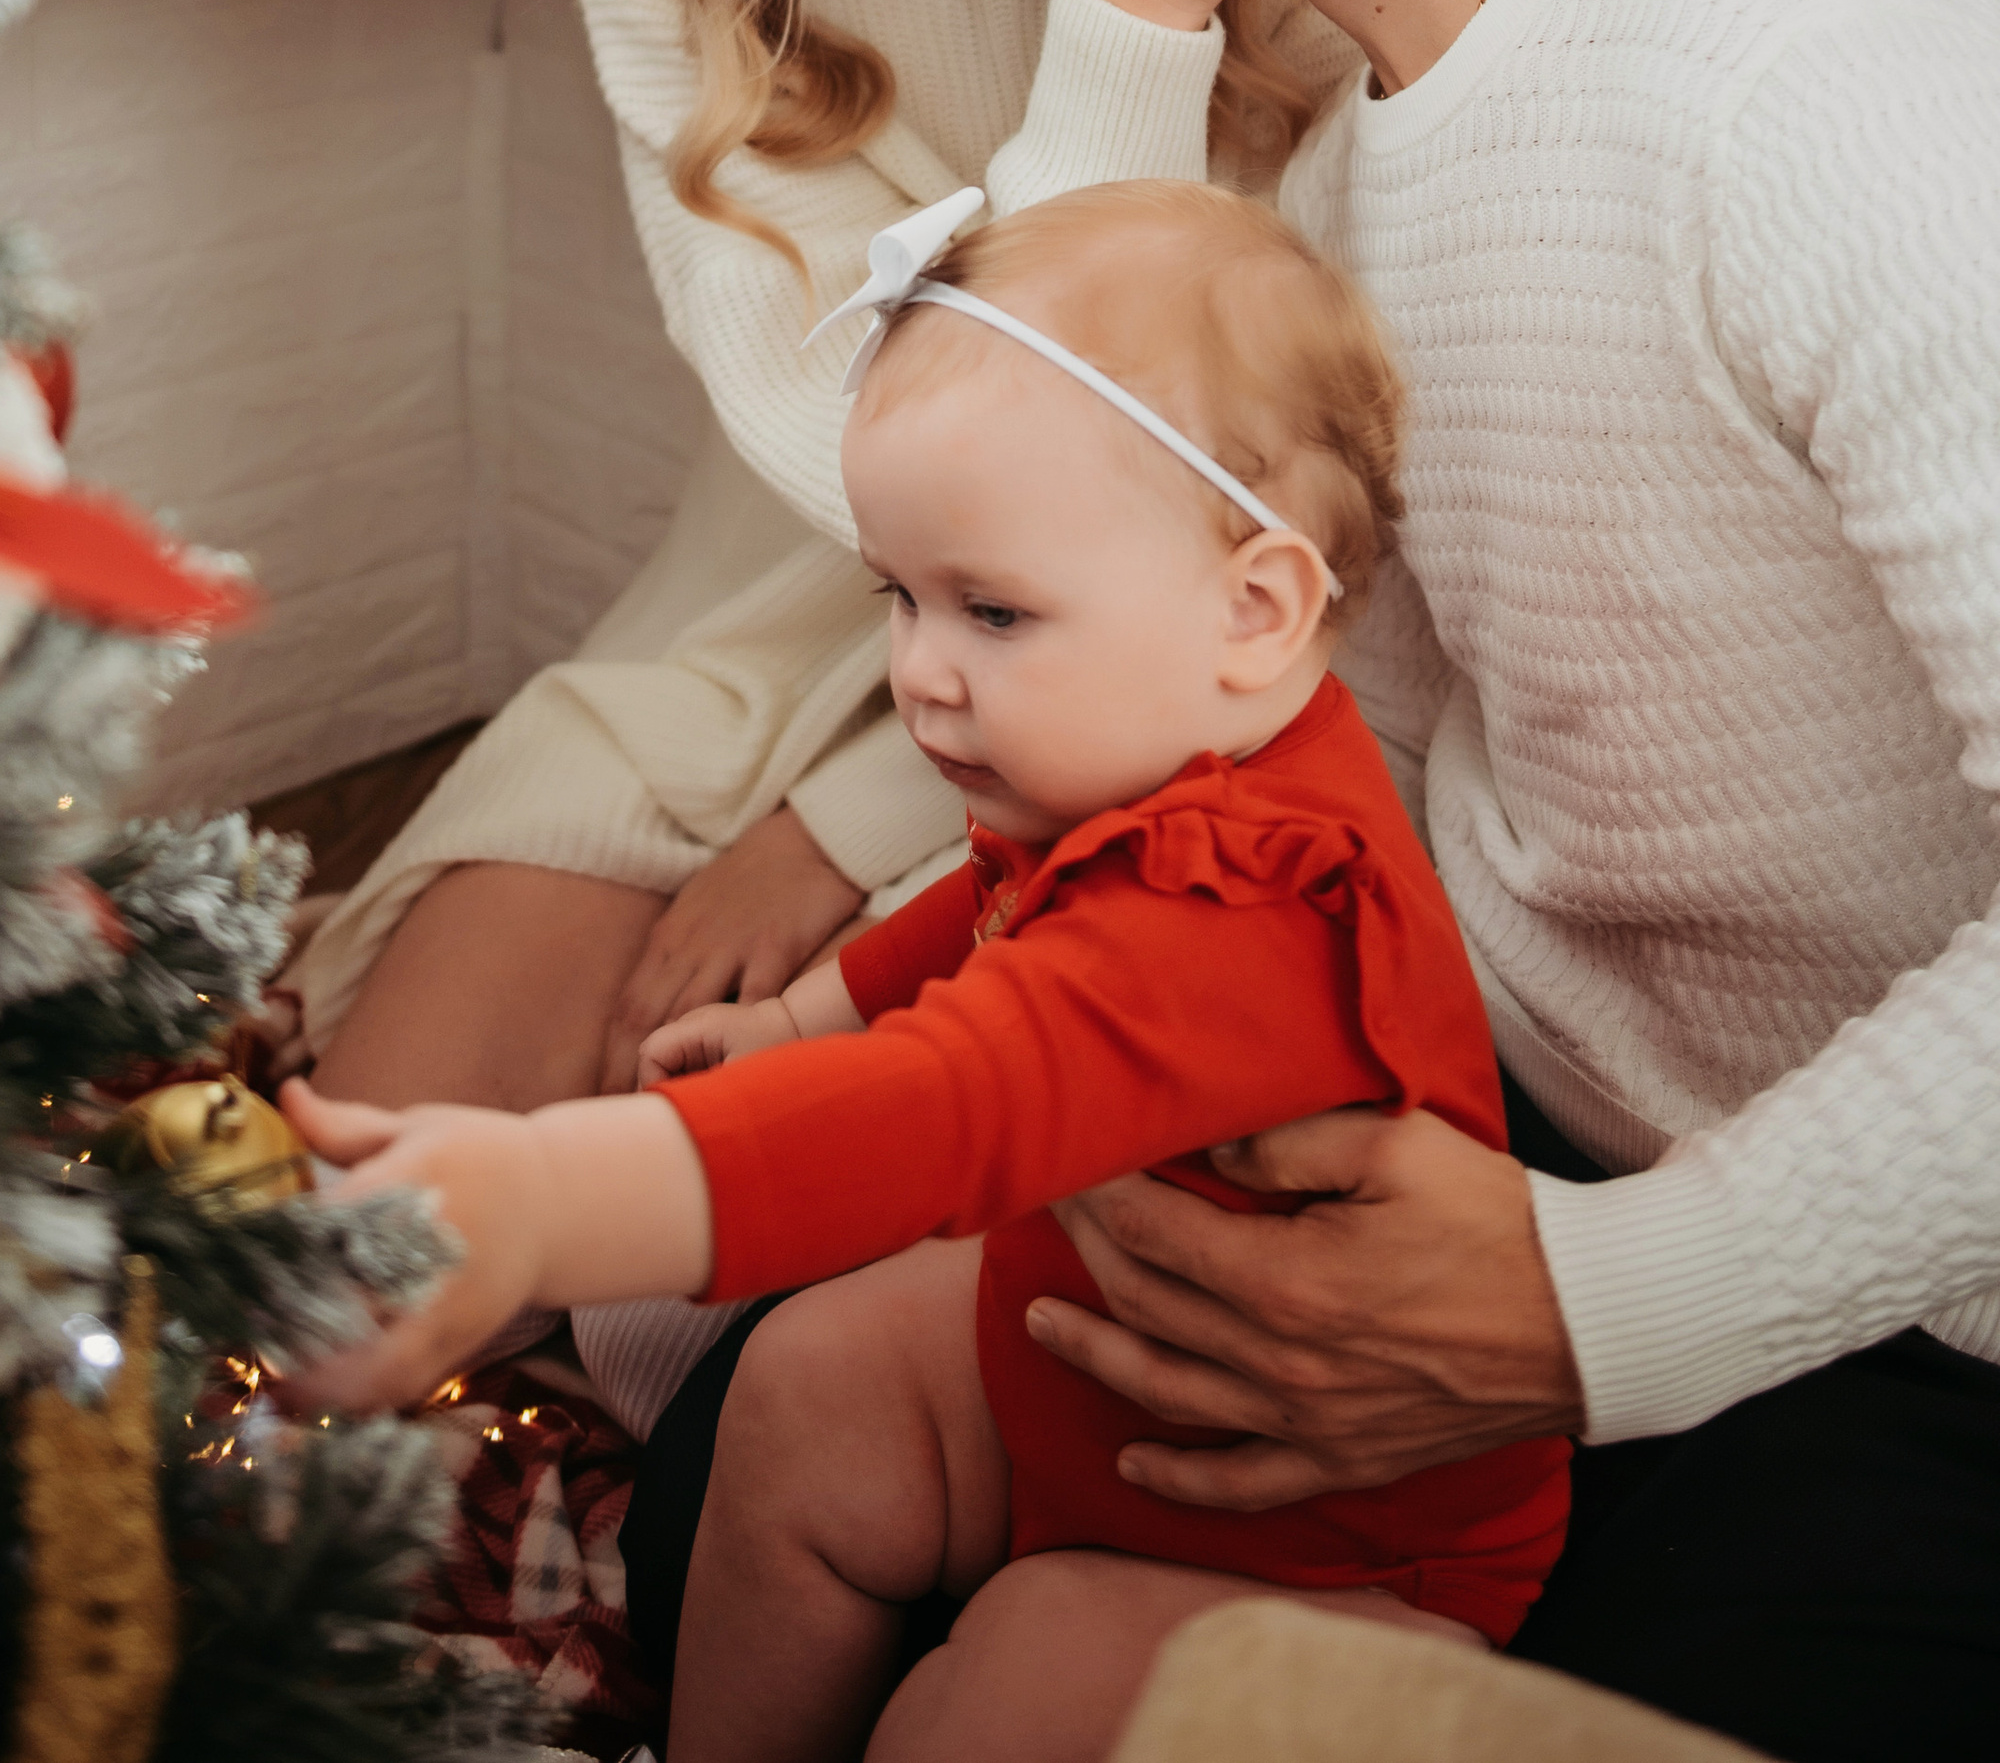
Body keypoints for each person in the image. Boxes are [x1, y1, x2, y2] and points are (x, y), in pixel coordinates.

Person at [942, 0, 2000, 1763]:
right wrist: (1127, 4)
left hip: (1897, 1318)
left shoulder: (1822, 99)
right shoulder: (1354, 141)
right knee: (789, 1385)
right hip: (1528, 1141)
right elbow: (1061, 582)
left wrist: (1598, 1310)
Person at [298, 0, 1460, 1125]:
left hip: (1147, 686)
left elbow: (1158, 480)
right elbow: (855, 450)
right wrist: (1130, 5)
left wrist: (840, 837)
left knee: (747, 1186)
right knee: (362, 1191)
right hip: (767, 648)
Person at [286, 181, 1569, 1763]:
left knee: (1007, 1686)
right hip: (1110, 1370)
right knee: (816, 1377)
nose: (919, 669)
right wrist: (805, 1012)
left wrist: (543, 1198)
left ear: (1255, 608)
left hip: (1312, 1538)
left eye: (994, 610)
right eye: (901, 596)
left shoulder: (1245, 905)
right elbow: (980, 910)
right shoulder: (1138, 777)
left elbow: (944, 1106)